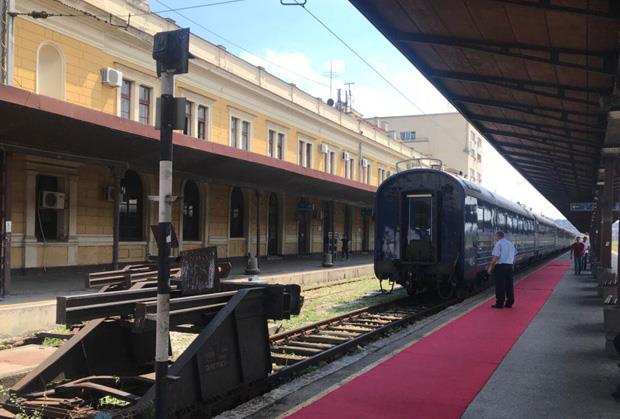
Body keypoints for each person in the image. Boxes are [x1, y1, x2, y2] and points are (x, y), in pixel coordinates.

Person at [487, 231, 517, 309]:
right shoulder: (510, 243)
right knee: (509, 285)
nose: (495, 238)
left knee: (500, 285)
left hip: (501, 266)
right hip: (509, 266)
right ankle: (509, 302)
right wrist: (512, 265)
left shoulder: (499, 243)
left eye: (496, 236)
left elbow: (496, 257)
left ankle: (500, 303)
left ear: (498, 236)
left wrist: (490, 267)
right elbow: (514, 256)